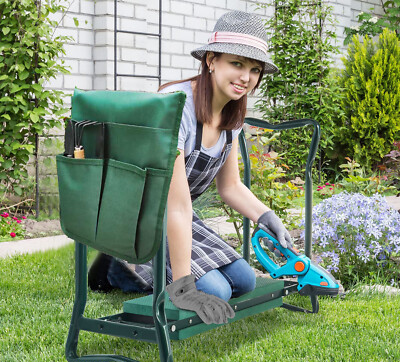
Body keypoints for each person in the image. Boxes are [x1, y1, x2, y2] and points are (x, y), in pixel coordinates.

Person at [88, 10, 292, 325]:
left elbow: (230, 187)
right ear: (211, 60)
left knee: (244, 281)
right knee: (215, 290)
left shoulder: (230, 117)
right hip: (138, 219)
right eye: (236, 64)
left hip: (173, 214)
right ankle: (117, 267)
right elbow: (178, 207)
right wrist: (183, 287)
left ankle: (123, 264)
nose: (245, 77)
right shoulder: (175, 108)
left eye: (254, 69)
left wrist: (267, 217)